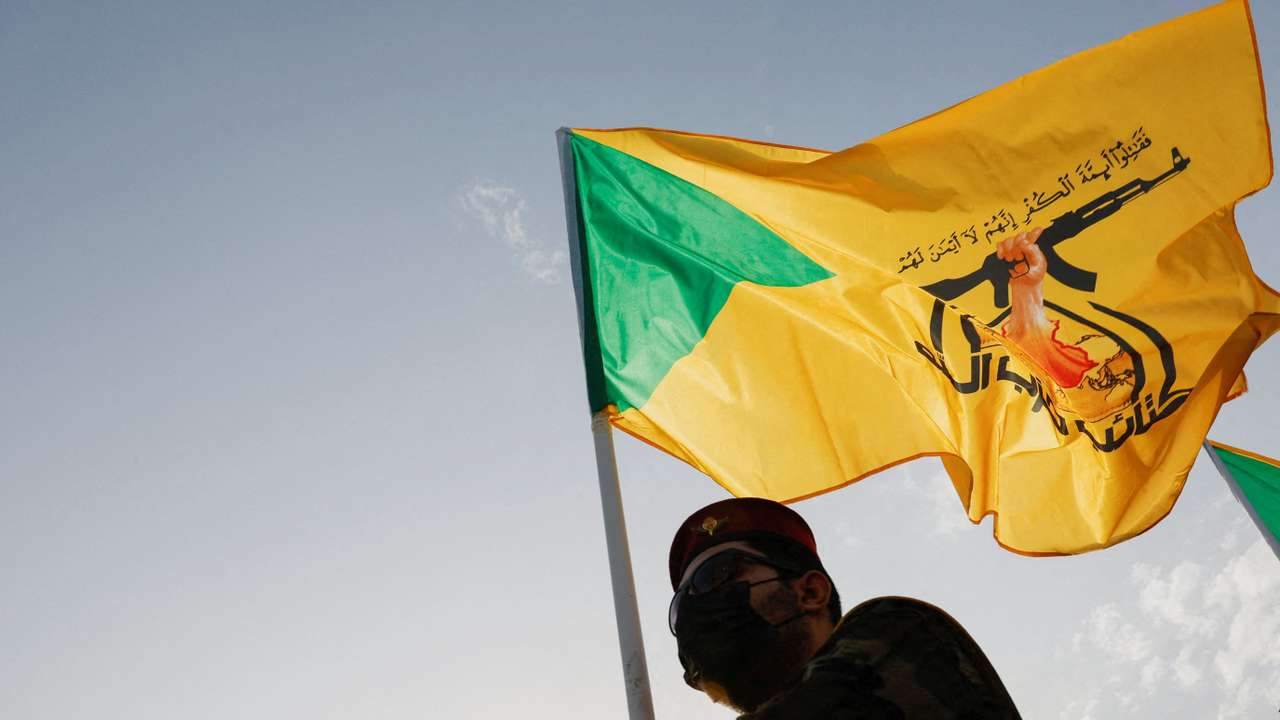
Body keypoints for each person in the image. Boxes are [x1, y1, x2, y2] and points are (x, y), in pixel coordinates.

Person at [669, 497, 1021, 719]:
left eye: (717, 575)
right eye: (682, 604)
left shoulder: (899, 637)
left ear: (810, 592)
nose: (695, 607)